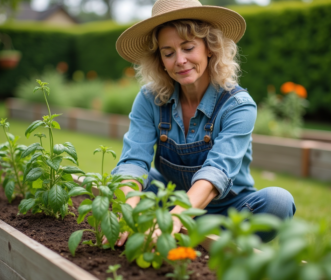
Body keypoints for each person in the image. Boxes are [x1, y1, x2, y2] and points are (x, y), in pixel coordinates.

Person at [103, 0, 296, 246]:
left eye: (188, 47)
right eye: (169, 53)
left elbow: (217, 172)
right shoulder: (149, 99)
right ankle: (184, 235)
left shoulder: (238, 105)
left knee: (278, 201)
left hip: (228, 210)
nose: (180, 60)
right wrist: (127, 209)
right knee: (119, 182)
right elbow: (133, 160)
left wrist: (175, 218)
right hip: (170, 198)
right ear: (160, 59)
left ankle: (203, 239)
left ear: (209, 47)